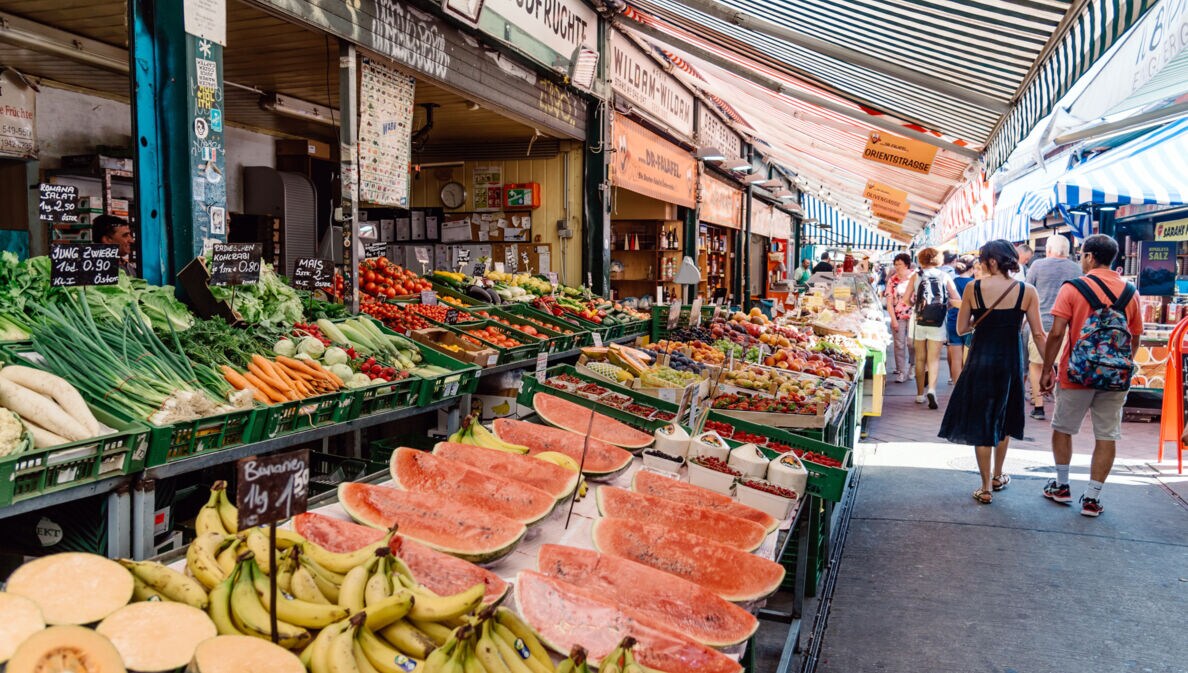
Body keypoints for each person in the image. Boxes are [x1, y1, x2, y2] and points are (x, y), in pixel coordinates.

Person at [1039, 234, 1142, 518]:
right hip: (1115, 376)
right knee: (1107, 435)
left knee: (1063, 428)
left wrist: (1047, 368)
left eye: (1082, 254)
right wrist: (1120, 365)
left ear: (1090, 257)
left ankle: (1061, 486)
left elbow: (1057, 332)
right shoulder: (1130, 292)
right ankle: (1093, 499)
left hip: (1076, 373)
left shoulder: (1073, 288)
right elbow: (1134, 338)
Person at [939, 240, 1047, 504]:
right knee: (1005, 416)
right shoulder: (1027, 291)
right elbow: (1038, 333)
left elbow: (962, 328)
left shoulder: (973, 289)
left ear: (992, 261)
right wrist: (1050, 365)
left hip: (980, 361)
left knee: (981, 419)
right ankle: (999, 475)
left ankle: (985, 486)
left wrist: (980, 319)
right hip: (1011, 362)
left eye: (983, 259)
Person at [1024, 236, 1082, 419]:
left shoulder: (1037, 266)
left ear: (1048, 249)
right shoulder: (1076, 268)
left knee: (1036, 365)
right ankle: (1060, 406)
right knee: (1063, 366)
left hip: (1039, 324)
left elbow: (1027, 292)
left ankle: (1039, 406)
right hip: (1067, 325)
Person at [901, 247, 961, 409]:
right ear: (938, 260)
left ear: (921, 259)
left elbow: (906, 299)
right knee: (933, 358)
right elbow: (957, 299)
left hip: (919, 321)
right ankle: (932, 390)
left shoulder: (916, 276)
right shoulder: (944, 275)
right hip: (939, 321)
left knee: (920, 358)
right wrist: (945, 306)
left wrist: (916, 306)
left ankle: (920, 394)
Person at [944, 255, 976, 383]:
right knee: (969, 356)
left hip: (953, 321)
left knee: (956, 357)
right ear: (972, 268)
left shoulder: (953, 282)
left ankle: (956, 385)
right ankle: (967, 384)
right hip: (970, 322)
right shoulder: (974, 283)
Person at [885, 253, 915, 383]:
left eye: (900, 264)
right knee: (899, 344)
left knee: (912, 342)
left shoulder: (916, 276)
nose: (897, 267)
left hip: (915, 315)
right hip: (898, 315)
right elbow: (889, 301)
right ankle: (901, 371)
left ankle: (912, 365)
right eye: (895, 264)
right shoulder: (893, 280)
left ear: (907, 264)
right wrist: (893, 319)